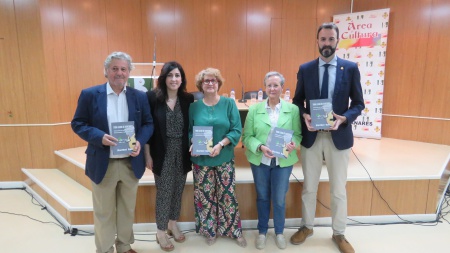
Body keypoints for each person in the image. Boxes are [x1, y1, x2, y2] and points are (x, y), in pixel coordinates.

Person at [290, 23, 364, 253]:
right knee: (309, 188)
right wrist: (305, 117)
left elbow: (359, 104)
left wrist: (344, 118)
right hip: (312, 137)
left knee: (338, 189)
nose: (327, 44)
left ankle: (339, 233)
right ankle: (307, 226)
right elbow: (296, 101)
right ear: (317, 41)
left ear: (337, 41)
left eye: (331, 39)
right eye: (323, 39)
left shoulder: (350, 68)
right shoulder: (306, 69)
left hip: (338, 137)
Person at [71, 52, 154, 253]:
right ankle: (105, 249)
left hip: (130, 163)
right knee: (104, 212)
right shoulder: (90, 94)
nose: (119, 73)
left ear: (129, 72)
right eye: (115, 68)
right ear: (106, 71)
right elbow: (78, 123)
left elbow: (148, 124)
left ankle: (124, 247)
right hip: (102, 163)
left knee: (127, 210)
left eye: (123, 69)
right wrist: (99, 136)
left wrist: (140, 142)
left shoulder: (139, 96)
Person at [242, 71, 302, 250]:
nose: (272, 88)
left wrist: (293, 144)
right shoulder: (254, 109)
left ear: (282, 88)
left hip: (283, 161)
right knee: (262, 197)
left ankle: (279, 232)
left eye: (276, 85)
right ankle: (262, 232)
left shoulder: (293, 110)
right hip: (260, 160)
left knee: (279, 199)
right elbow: (247, 137)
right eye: (269, 85)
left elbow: (298, 135)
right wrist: (260, 147)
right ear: (265, 88)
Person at [188, 68, 247, 247]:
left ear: (218, 83)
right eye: (206, 81)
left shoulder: (229, 103)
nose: (210, 83)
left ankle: (234, 231)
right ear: (201, 85)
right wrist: (192, 143)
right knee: (205, 197)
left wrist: (221, 144)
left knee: (228, 196)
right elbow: (190, 130)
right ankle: (210, 230)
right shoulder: (193, 106)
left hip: (224, 157)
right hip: (201, 160)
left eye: (214, 80)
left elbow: (237, 129)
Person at [144, 61, 194, 252]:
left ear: (182, 79)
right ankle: (161, 231)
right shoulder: (152, 97)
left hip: (181, 152)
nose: (174, 79)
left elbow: (192, 127)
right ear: (163, 78)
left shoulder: (188, 99)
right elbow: (147, 127)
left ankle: (173, 223)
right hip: (160, 152)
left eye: (178, 75)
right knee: (164, 192)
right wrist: (147, 155)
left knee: (178, 190)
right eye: (170, 75)